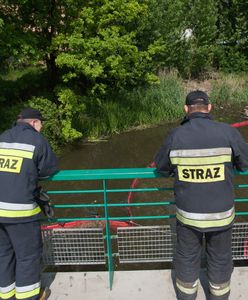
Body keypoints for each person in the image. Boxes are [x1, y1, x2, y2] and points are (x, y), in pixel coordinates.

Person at [155, 90, 248, 300]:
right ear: (209, 108)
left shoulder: (175, 135)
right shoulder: (227, 132)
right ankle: (219, 296)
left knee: (187, 257)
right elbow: (245, 163)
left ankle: (187, 296)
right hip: (221, 215)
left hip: (188, 216)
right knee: (221, 258)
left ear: (186, 109)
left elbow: (161, 167)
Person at [0, 108, 58, 300]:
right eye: (41, 125)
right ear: (34, 123)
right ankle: (29, 297)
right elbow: (49, 169)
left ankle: (6, 296)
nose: (41, 129)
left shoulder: (3, 137)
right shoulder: (36, 140)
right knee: (27, 257)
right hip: (20, 213)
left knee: (3, 255)